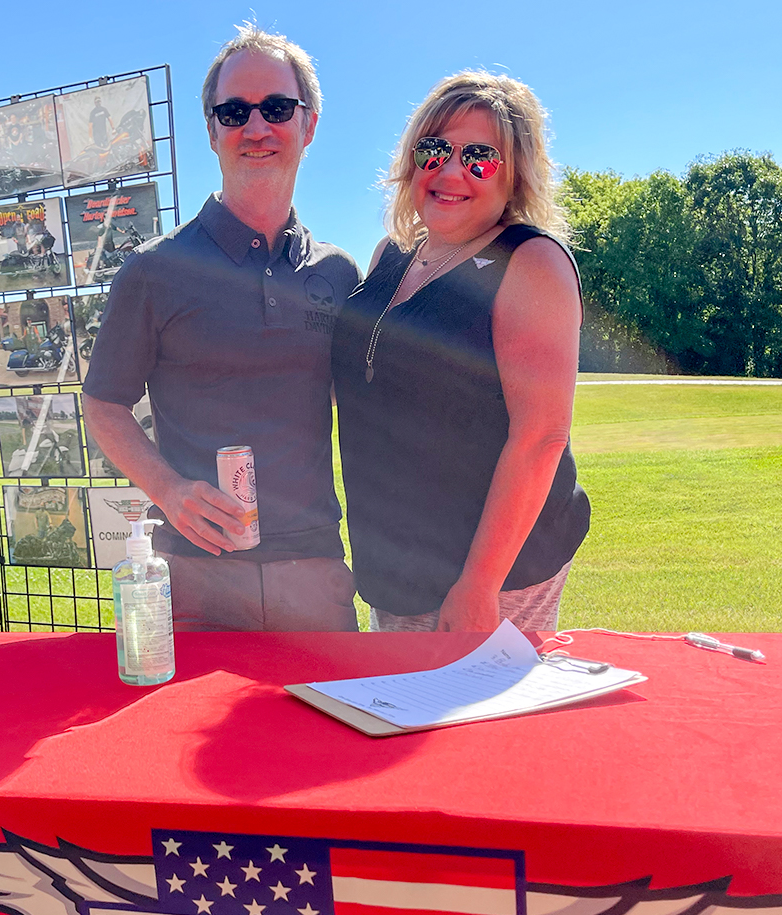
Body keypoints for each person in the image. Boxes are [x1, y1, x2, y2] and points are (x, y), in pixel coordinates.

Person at [82, 25, 361, 632]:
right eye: (234, 112)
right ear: (212, 132)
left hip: (314, 567)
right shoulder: (154, 270)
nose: (256, 127)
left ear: (309, 125)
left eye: (277, 108)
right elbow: (103, 403)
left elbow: (370, 408)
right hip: (195, 573)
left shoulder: (339, 273)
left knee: (330, 702)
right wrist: (168, 490)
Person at [332, 71, 591, 633]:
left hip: (494, 577)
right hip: (396, 567)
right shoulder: (391, 256)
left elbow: (541, 437)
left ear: (516, 172)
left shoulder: (530, 263)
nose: (450, 172)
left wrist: (479, 585)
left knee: (475, 696)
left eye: (480, 157)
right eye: (434, 150)